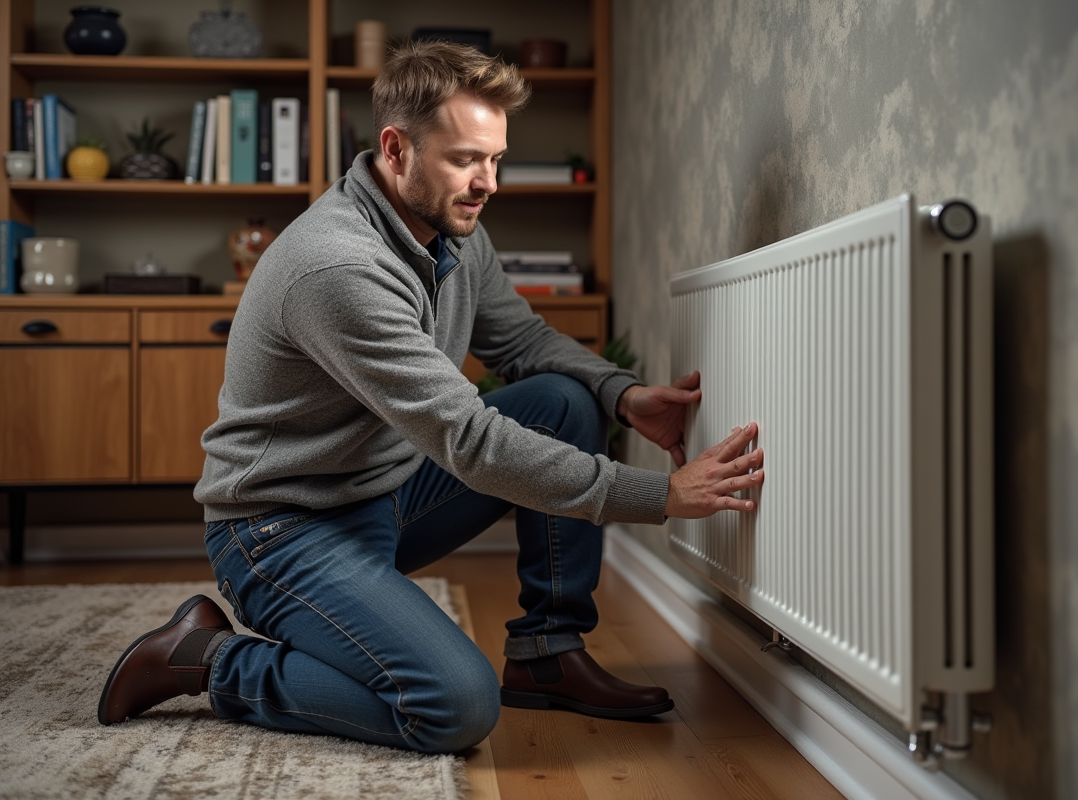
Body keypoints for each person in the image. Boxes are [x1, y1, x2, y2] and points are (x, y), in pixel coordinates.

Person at [96, 40, 765, 754]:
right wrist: (663, 496)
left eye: (495, 160)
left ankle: (546, 656)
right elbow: (470, 443)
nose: (487, 183)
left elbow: (521, 342)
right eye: (465, 159)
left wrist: (625, 396)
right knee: (454, 705)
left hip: (385, 494)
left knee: (565, 402)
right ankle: (208, 659)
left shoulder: (450, 224)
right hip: (279, 532)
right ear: (396, 148)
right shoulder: (336, 267)